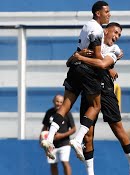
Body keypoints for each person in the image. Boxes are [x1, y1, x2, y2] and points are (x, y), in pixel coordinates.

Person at [41, 0, 115, 161]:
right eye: (107, 11)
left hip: (74, 69)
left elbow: (77, 53)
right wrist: (109, 67)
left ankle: (49, 138)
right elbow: (96, 56)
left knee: (66, 106)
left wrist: (75, 59)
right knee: (96, 105)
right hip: (87, 72)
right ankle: (78, 139)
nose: (109, 14)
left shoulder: (86, 26)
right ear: (98, 13)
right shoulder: (97, 29)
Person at [73, 22, 130, 175]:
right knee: (88, 135)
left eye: (119, 35)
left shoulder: (115, 50)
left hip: (105, 89)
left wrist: (80, 57)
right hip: (89, 87)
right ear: (105, 31)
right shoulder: (92, 42)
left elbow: (101, 62)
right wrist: (78, 57)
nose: (116, 36)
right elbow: (90, 60)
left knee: (118, 129)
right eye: (115, 32)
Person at [40, 94, 76, 175]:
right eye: (57, 101)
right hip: (51, 144)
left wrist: (61, 135)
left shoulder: (67, 113)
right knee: (53, 164)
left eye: (61, 102)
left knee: (64, 161)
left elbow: (74, 129)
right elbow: (45, 127)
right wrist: (41, 139)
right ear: (53, 102)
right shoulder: (49, 112)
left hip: (64, 143)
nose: (59, 103)